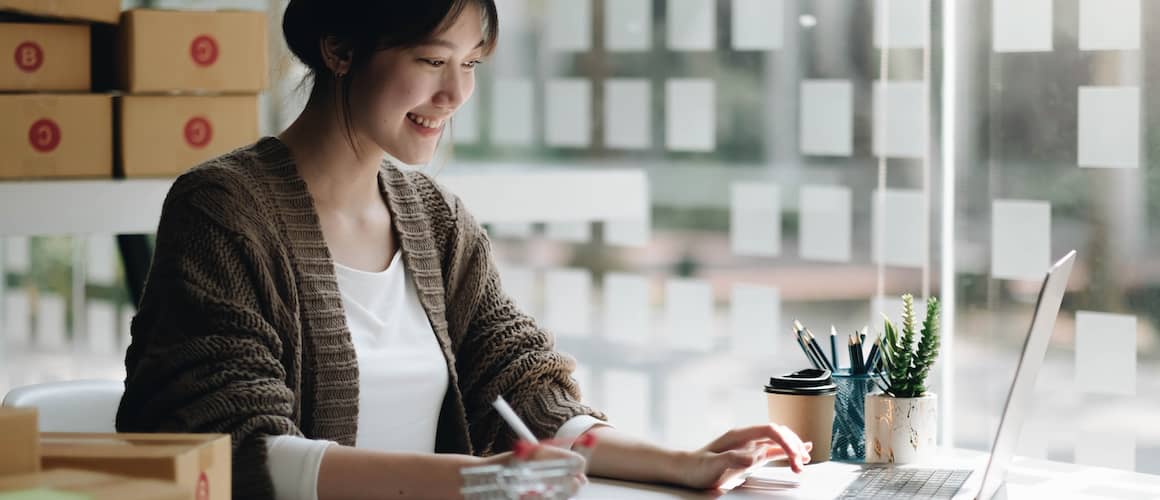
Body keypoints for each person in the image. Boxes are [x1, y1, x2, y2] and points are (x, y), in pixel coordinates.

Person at [114, 1, 812, 498]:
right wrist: (478, 481)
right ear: (340, 50)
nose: (454, 94)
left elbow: (519, 392)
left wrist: (682, 462)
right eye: (430, 60)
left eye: (471, 64)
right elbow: (237, 449)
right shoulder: (222, 211)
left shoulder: (434, 218)